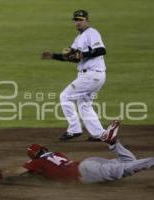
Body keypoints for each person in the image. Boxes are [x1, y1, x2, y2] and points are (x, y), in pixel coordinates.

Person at [0, 128, 154, 185]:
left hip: (85, 172)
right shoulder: (55, 154)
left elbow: (14, 171)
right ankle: (113, 143)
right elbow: (52, 171)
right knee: (127, 164)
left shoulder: (37, 162)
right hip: (88, 163)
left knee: (122, 170)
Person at [42, 9, 110, 141]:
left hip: (92, 75)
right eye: (76, 20)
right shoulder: (78, 38)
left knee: (65, 96)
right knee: (84, 104)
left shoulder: (92, 33)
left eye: (80, 20)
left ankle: (74, 129)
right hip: (92, 76)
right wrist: (53, 56)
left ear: (87, 21)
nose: (78, 23)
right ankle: (99, 134)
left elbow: (101, 50)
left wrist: (84, 54)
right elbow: (70, 57)